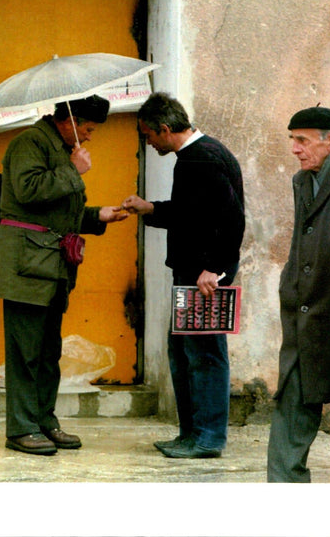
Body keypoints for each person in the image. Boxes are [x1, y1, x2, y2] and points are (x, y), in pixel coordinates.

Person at [0, 95, 128, 455]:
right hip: (25, 264)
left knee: (48, 351)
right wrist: (72, 170)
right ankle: (20, 428)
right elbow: (28, 192)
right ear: (69, 120)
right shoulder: (28, 144)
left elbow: (57, 214)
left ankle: (43, 420)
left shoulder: (57, 148)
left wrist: (98, 217)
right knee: (25, 351)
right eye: (88, 129)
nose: (90, 136)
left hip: (50, 266)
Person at [122, 92, 245, 459]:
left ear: (163, 128)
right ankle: (191, 434)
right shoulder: (196, 156)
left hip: (203, 275)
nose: (148, 141)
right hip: (194, 272)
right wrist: (149, 208)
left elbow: (231, 218)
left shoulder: (202, 158)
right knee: (184, 351)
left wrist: (216, 268)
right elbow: (193, 213)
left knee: (204, 354)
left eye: (148, 135)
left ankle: (207, 438)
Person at [267, 106, 330, 482]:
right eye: (292, 140)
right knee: (293, 394)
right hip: (306, 306)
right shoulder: (302, 181)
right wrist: (290, 284)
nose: (295, 148)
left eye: (302, 140)